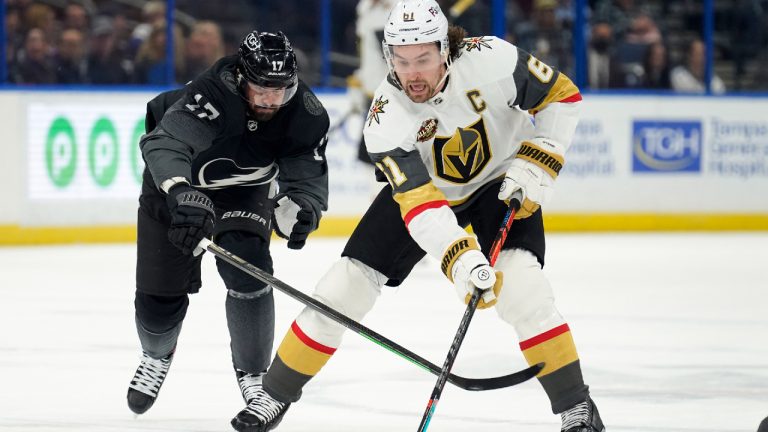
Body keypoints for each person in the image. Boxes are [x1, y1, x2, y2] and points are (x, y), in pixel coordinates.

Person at [241, 1, 605, 431]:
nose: (412, 73)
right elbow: (420, 204)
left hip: (501, 180)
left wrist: (541, 156)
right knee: (342, 288)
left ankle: (575, 407)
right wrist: (460, 258)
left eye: (424, 59)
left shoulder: (494, 58)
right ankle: (274, 395)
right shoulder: (385, 117)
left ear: (446, 50)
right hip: (431, 192)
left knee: (523, 289)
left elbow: (562, 96)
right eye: (401, 59)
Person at [126, 30, 330, 430]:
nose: (272, 100)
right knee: (157, 300)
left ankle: (255, 376)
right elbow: (164, 145)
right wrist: (182, 193)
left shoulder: (305, 113)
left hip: (244, 193)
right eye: (262, 89)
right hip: (176, 189)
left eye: (281, 90)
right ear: (241, 77)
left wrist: (302, 209)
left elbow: (305, 181)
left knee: (250, 271)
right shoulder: (211, 94)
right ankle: (156, 355)